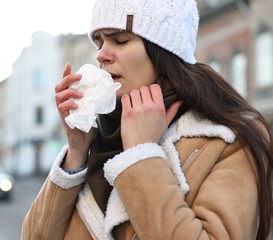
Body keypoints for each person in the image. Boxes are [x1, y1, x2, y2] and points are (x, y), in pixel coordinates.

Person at [21, 0, 273, 239]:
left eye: (120, 40)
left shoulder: (226, 142)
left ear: (163, 53)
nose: (102, 55)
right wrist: (76, 153)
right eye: (99, 43)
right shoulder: (99, 135)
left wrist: (142, 155)